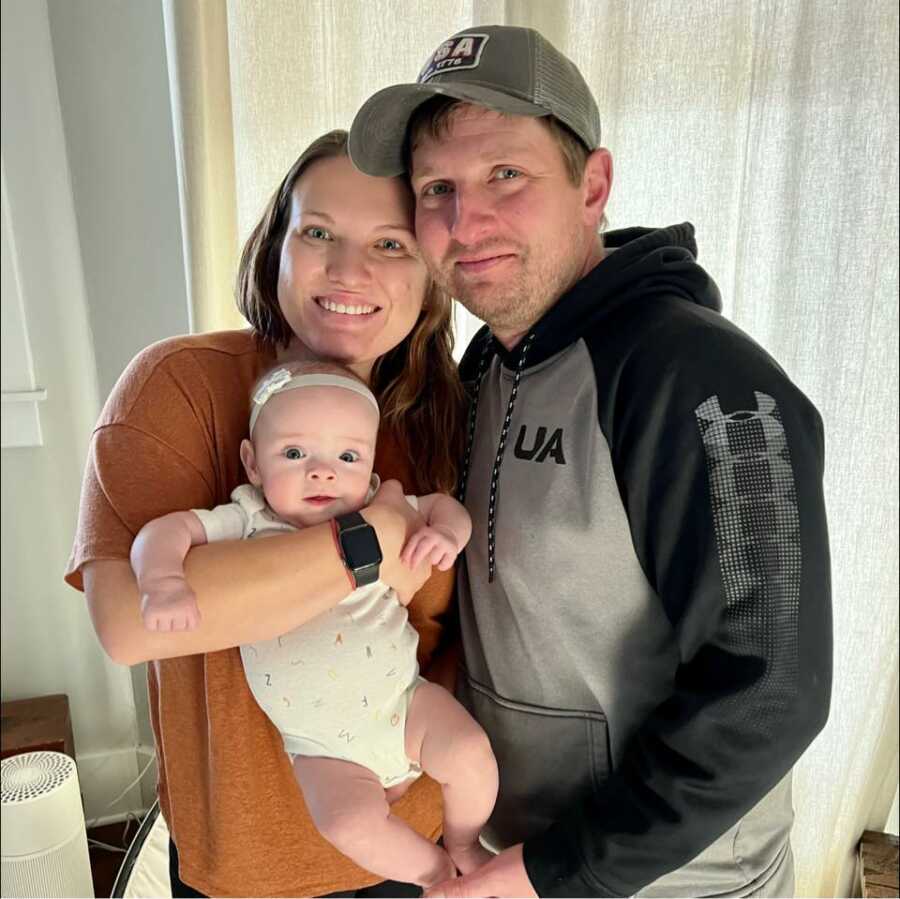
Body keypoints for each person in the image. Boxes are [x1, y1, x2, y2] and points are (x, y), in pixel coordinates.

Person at [348, 24, 832, 898]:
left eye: (506, 175)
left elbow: (771, 694)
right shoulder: (487, 363)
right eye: (436, 188)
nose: (467, 221)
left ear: (593, 185)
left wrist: (552, 870)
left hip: (678, 882)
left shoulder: (704, 379)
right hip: (518, 856)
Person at [65, 129, 471, 897]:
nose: (349, 269)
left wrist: (415, 738)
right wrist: (369, 539)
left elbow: (461, 629)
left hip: (412, 841)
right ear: (274, 247)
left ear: (429, 273)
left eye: (390, 242)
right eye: (318, 232)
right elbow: (126, 622)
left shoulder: (442, 412)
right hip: (246, 871)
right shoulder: (179, 388)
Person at [130, 359, 497, 889]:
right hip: (320, 746)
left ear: (370, 469)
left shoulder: (377, 503)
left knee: (470, 755)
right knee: (345, 821)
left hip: (403, 702)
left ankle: (463, 842)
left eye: (346, 456)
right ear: (253, 464)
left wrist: (449, 534)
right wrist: (162, 581)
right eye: (295, 453)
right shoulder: (248, 519)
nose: (322, 472)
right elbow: (163, 533)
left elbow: (444, 506)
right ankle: (433, 872)